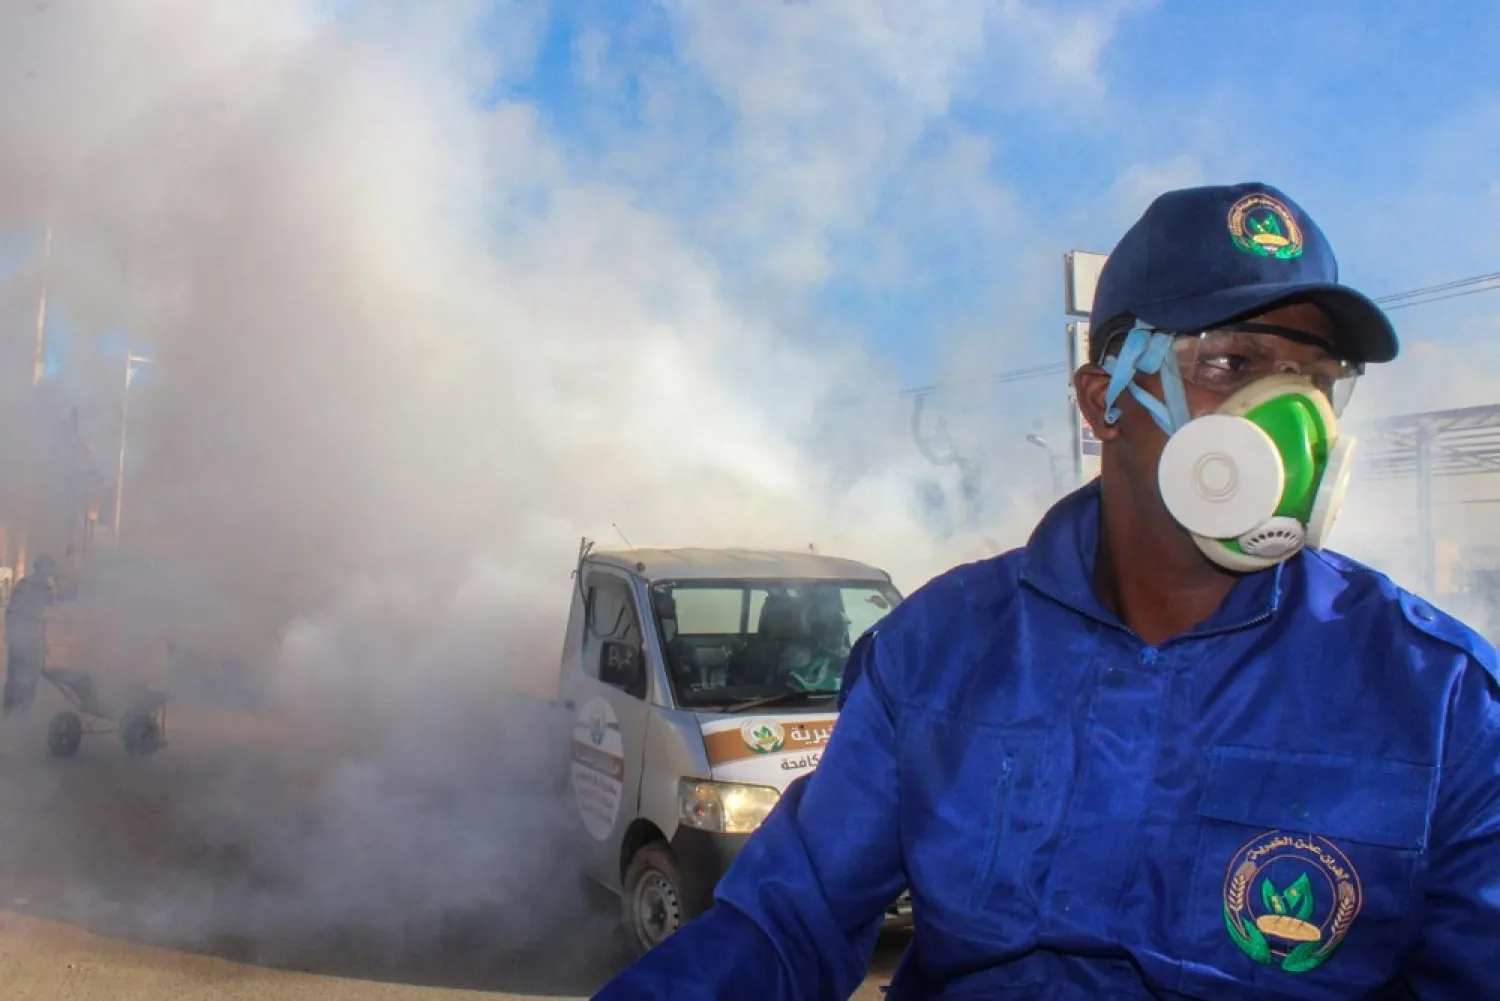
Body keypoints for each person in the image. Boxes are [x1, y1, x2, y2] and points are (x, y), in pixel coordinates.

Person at [593, 182, 1500, 999]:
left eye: (1316, 379)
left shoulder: (1437, 696)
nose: (1292, 417)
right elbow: (783, 932)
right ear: (1104, 399)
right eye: (1231, 363)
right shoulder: (938, 652)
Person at [4, 553, 59, 718]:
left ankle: (8, 711)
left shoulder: (23, 583)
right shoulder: (43, 586)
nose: (53, 571)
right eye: (51, 568)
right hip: (30, 637)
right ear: (43, 568)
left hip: (17, 636)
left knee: (14, 674)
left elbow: (10, 611)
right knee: (30, 675)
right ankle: (21, 712)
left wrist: (10, 634)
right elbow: (53, 606)